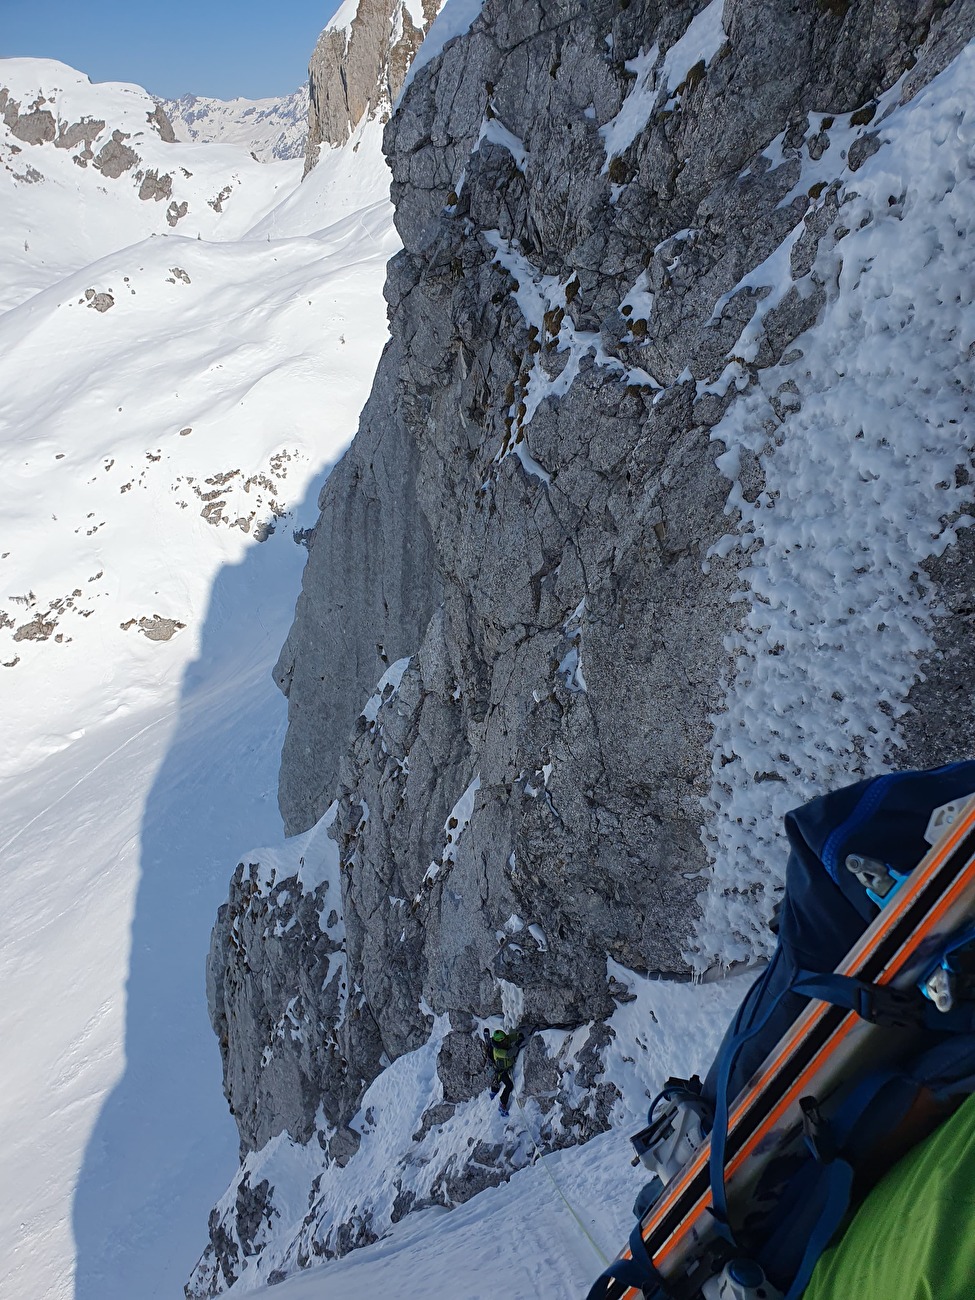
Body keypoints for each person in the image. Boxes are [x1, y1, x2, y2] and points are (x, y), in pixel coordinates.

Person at [482, 1026, 523, 1116]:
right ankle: (502, 1104)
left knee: (498, 1083)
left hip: (503, 1068)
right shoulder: (498, 1051)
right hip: (500, 1071)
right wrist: (518, 1043)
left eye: (505, 1039)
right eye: (503, 1040)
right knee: (509, 1085)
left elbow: (510, 1038)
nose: (506, 1041)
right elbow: (509, 1054)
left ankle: (494, 1090)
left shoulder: (503, 1041)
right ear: (499, 1042)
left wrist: (518, 1036)